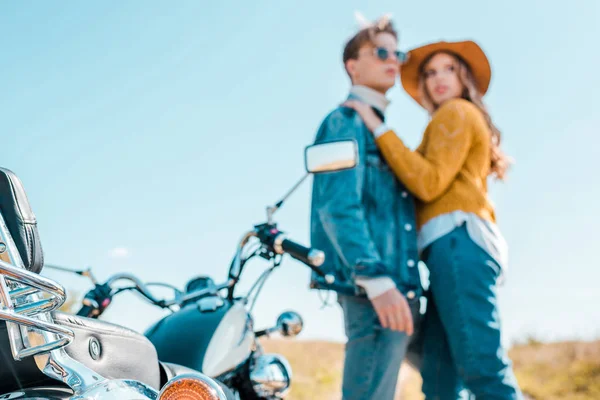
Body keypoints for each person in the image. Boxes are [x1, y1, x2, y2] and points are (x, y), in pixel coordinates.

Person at [344, 40, 524, 399]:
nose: (438, 78)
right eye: (430, 72)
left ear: (465, 78)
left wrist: (376, 126)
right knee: (440, 377)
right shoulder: (448, 120)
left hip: (458, 243)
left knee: (482, 368)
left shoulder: (455, 112)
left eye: (449, 69)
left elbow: (426, 182)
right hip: (449, 249)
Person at [309, 16, 423, 400]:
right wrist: (377, 280)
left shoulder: (376, 128)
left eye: (398, 53)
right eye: (380, 52)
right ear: (352, 65)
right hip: (374, 292)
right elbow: (336, 207)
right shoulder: (343, 121)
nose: (393, 60)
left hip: (392, 287)